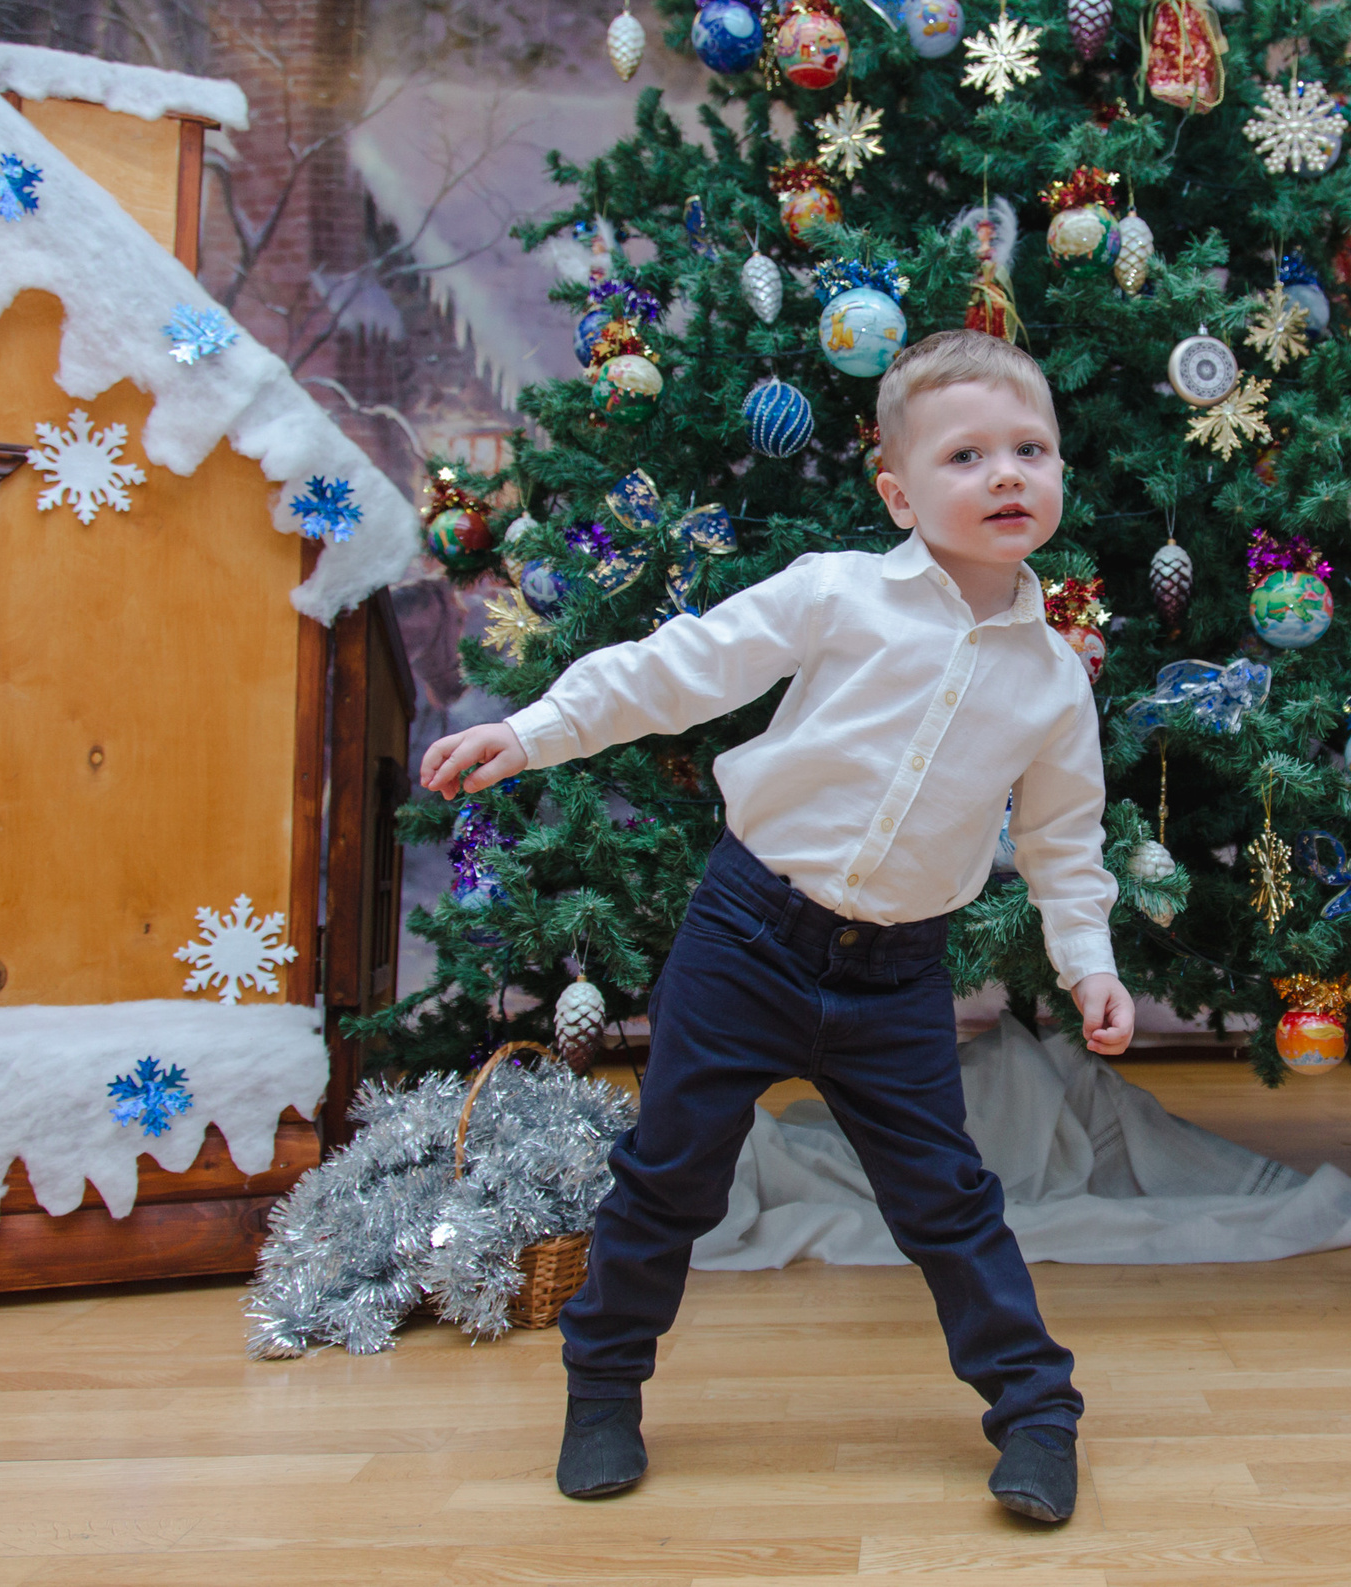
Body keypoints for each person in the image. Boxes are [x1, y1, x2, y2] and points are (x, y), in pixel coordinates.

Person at [418, 329, 1134, 1524]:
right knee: (667, 1178)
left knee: (947, 1201)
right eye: (968, 456)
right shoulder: (835, 594)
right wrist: (534, 730)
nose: (1007, 474)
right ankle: (602, 1385)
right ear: (899, 493)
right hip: (746, 936)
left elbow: (1064, 842)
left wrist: (1090, 966)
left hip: (895, 977)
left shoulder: (1054, 680)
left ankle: (1036, 1413)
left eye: (1031, 450)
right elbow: (675, 671)